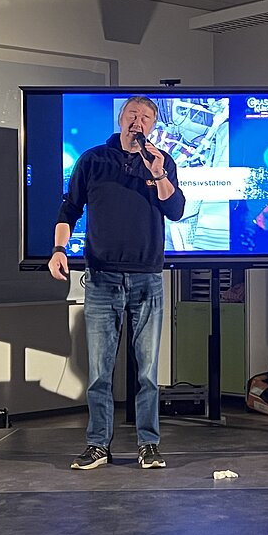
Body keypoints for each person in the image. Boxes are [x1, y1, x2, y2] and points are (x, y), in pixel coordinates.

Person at [49, 96, 186, 470]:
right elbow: (69, 208)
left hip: (147, 279)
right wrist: (59, 249)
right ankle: (98, 445)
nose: (138, 121)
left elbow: (176, 211)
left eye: (146, 117)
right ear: (121, 119)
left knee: (147, 372)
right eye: (132, 114)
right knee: (99, 372)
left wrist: (158, 173)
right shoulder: (94, 160)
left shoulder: (160, 162)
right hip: (102, 278)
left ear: (153, 126)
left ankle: (149, 444)